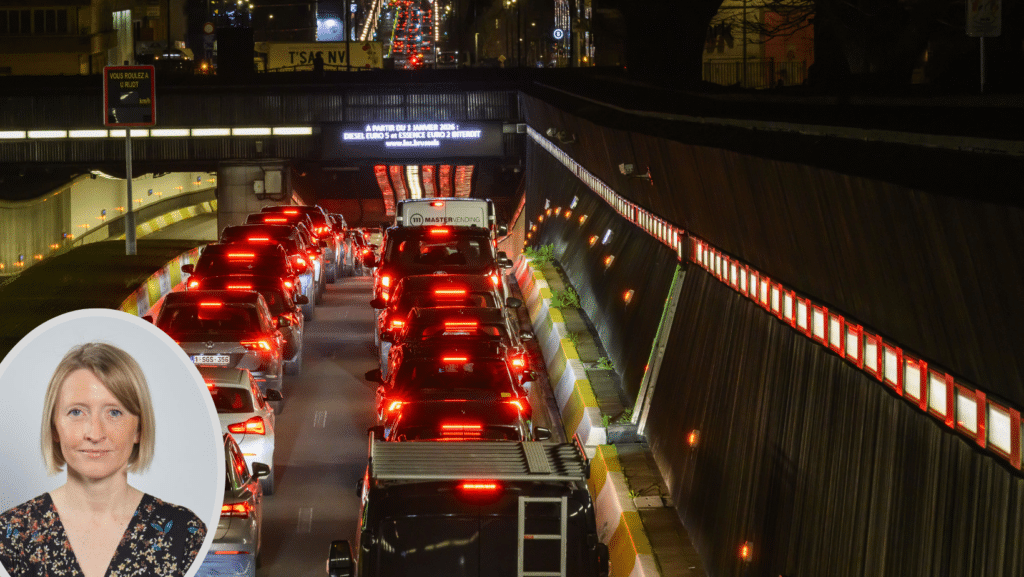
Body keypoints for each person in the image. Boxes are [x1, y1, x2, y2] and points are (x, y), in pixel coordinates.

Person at [0, 343, 207, 577]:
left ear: (139, 428)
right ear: (54, 427)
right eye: (76, 412)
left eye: (114, 412)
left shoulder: (184, 534)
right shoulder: (11, 534)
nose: (95, 434)